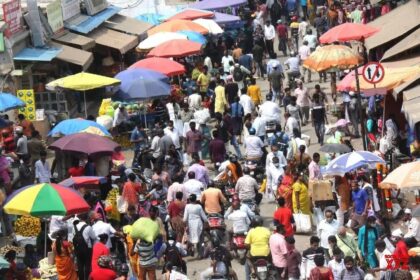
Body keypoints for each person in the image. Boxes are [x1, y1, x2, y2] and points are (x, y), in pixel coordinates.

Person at [244, 216, 271, 280]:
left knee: (247, 259)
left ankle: (252, 270)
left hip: (254, 254)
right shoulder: (267, 230)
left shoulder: (251, 231)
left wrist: (250, 247)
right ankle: (271, 270)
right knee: (271, 261)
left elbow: (246, 244)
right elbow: (271, 242)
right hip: (266, 253)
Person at [73, 213, 96, 280]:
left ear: (79, 218)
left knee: (80, 264)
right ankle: (87, 278)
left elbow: (73, 236)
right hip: (87, 248)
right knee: (87, 265)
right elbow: (94, 237)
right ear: (86, 219)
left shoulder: (74, 226)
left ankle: (81, 279)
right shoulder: (88, 227)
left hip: (77, 248)